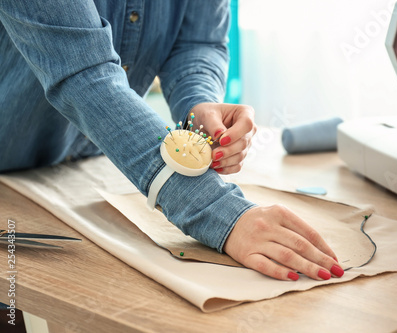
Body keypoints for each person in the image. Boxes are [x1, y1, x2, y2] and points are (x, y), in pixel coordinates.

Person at [0, 0, 344, 281]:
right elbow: (84, 73)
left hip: (87, 164)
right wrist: (221, 213)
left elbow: (198, 42)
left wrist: (200, 107)